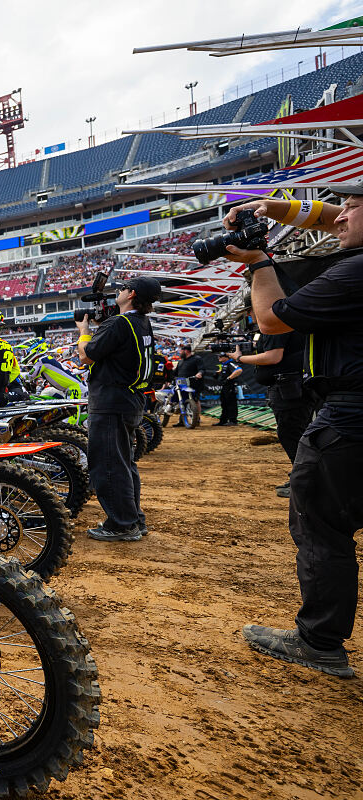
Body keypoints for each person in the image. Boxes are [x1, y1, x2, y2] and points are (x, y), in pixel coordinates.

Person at [223, 191, 363, 678]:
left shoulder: (354, 270)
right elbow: (336, 220)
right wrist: (273, 207)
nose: (339, 217)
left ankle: (319, 641)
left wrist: (259, 263)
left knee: (320, 526)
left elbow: (271, 318)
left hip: (349, 418)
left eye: (351, 207)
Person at [75, 276, 161, 542]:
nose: (118, 291)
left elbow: (85, 356)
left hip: (111, 401)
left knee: (109, 465)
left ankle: (122, 525)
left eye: (122, 288)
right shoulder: (141, 322)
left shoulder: (119, 323)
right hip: (130, 400)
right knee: (124, 462)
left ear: (131, 294)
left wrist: (84, 330)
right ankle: (133, 519)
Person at [233, 334, 314, 497]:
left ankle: (305, 482)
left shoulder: (276, 327)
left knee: (291, 433)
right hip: (290, 384)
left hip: (289, 386)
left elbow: (273, 357)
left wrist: (240, 358)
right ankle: (301, 477)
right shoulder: (282, 327)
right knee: (295, 433)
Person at [172, 345, 204, 426]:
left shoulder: (197, 359)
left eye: (181, 350)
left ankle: (196, 419)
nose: (180, 352)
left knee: (195, 400)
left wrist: (199, 373)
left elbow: (202, 369)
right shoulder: (180, 361)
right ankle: (182, 420)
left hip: (194, 384)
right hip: (181, 384)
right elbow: (175, 373)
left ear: (186, 351)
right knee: (182, 401)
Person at [213, 353, 242, 426]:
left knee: (231, 403)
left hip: (230, 386)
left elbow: (239, 370)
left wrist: (229, 378)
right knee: (224, 403)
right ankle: (223, 420)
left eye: (220, 356)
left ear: (226, 357)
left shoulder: (230, 363)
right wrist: (218, 373)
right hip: (225, 386)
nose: (219, 357)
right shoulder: (224, 364)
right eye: (218, 356)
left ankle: (233, 421)